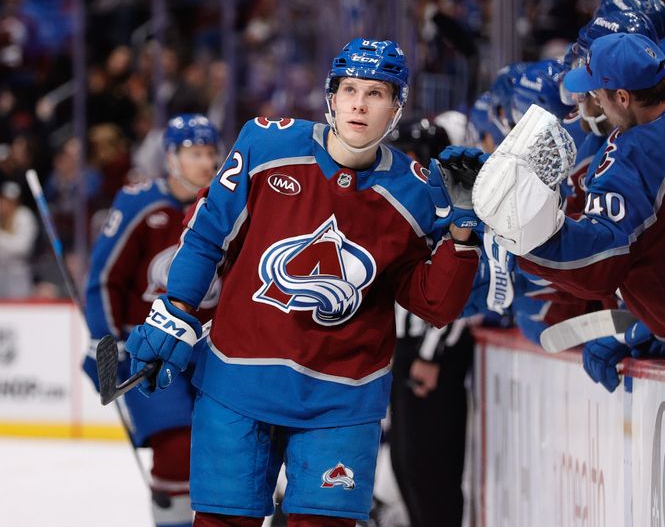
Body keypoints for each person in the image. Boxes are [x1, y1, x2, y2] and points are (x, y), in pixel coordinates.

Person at [124, 38, 480, 527]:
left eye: (376, 93)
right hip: (237, 384)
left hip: (342, 402)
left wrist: (462, 234)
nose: (359, 103)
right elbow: (208, 234)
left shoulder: (418, 193)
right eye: (349, 89)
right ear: (330, 96)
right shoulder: (266, 144)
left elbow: (434, 305)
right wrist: (178, 309)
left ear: (396, 108)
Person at [477, 33, 665, 392]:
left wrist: (530, 238)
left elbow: (601, 259)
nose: (593, 102)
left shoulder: (633, 154)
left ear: (624, 98)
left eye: (598, 94)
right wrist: (643, 328)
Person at [83, 113, 221, 527]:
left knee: (223, 448)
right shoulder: (141, 203)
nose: (206, 163)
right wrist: (103, 343)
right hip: (149, 352)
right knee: (176, 446)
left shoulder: (224, 204)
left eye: (211, 153)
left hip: (209, 348)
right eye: (195, 153)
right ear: (171, 157)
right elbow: (103, 279)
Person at [387, 115, 475, 527]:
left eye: (411, 154)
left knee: (429, 468)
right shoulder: (404, 202)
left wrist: (431, 354)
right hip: (409, 349)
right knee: (407, 464)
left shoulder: (453, 207)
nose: (404, 162)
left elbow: (467, 289)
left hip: (434, 351)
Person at [0, 181, 38, 297]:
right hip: (2, 273)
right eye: (3, 200)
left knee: (19, 307)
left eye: (10, 201)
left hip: (19, 274)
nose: (5, 204)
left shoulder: (24, 216)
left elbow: (23, 248)